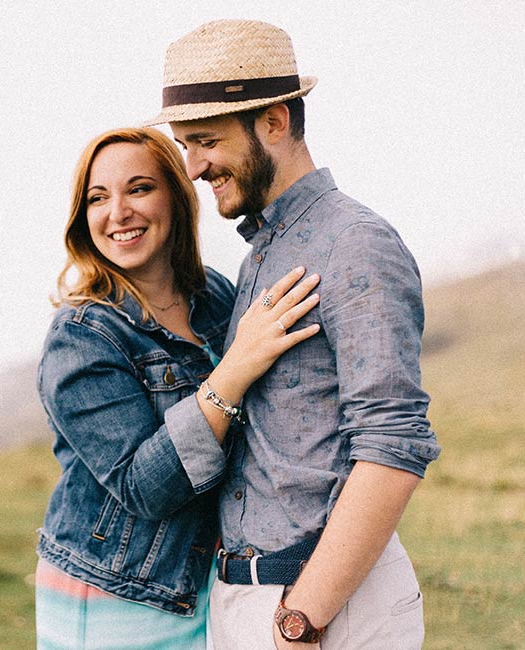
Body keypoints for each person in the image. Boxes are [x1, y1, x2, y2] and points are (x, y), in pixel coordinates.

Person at [143, 19, 442, 649]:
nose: (192, 167)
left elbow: (392, 448)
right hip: (247, 602)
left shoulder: (356, 245)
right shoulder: (258, 256)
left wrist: (301, 621)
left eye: (205, 141)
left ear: (274, 122)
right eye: (185, 144)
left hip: (325, 611)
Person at [34, 126, 321, 649]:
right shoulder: (81, 337)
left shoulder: (213, 295)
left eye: (139, 189)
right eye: (98, 198)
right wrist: (234, 369)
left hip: (207, 580)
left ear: (177, 195)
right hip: (116, 597)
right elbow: (145, 488)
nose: (118, 212)